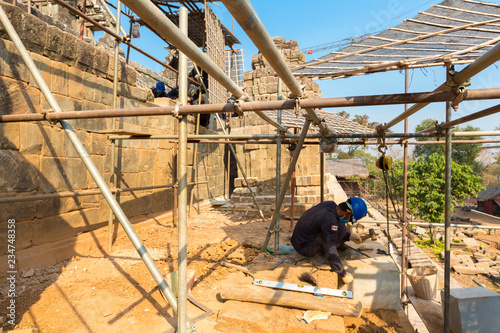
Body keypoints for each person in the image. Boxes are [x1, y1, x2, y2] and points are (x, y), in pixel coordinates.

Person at [290, 197, 368, 285]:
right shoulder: (329, 219)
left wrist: (349, 236)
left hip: (302, 237)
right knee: (331, 236)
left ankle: (340, 249)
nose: (349, 221)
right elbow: (330, 248)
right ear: (347, 213)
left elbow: (334, 225)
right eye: (350, 219)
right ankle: (320, 257)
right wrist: (343, 273)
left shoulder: (331, 205)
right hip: (304, 246)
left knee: (338, 224)